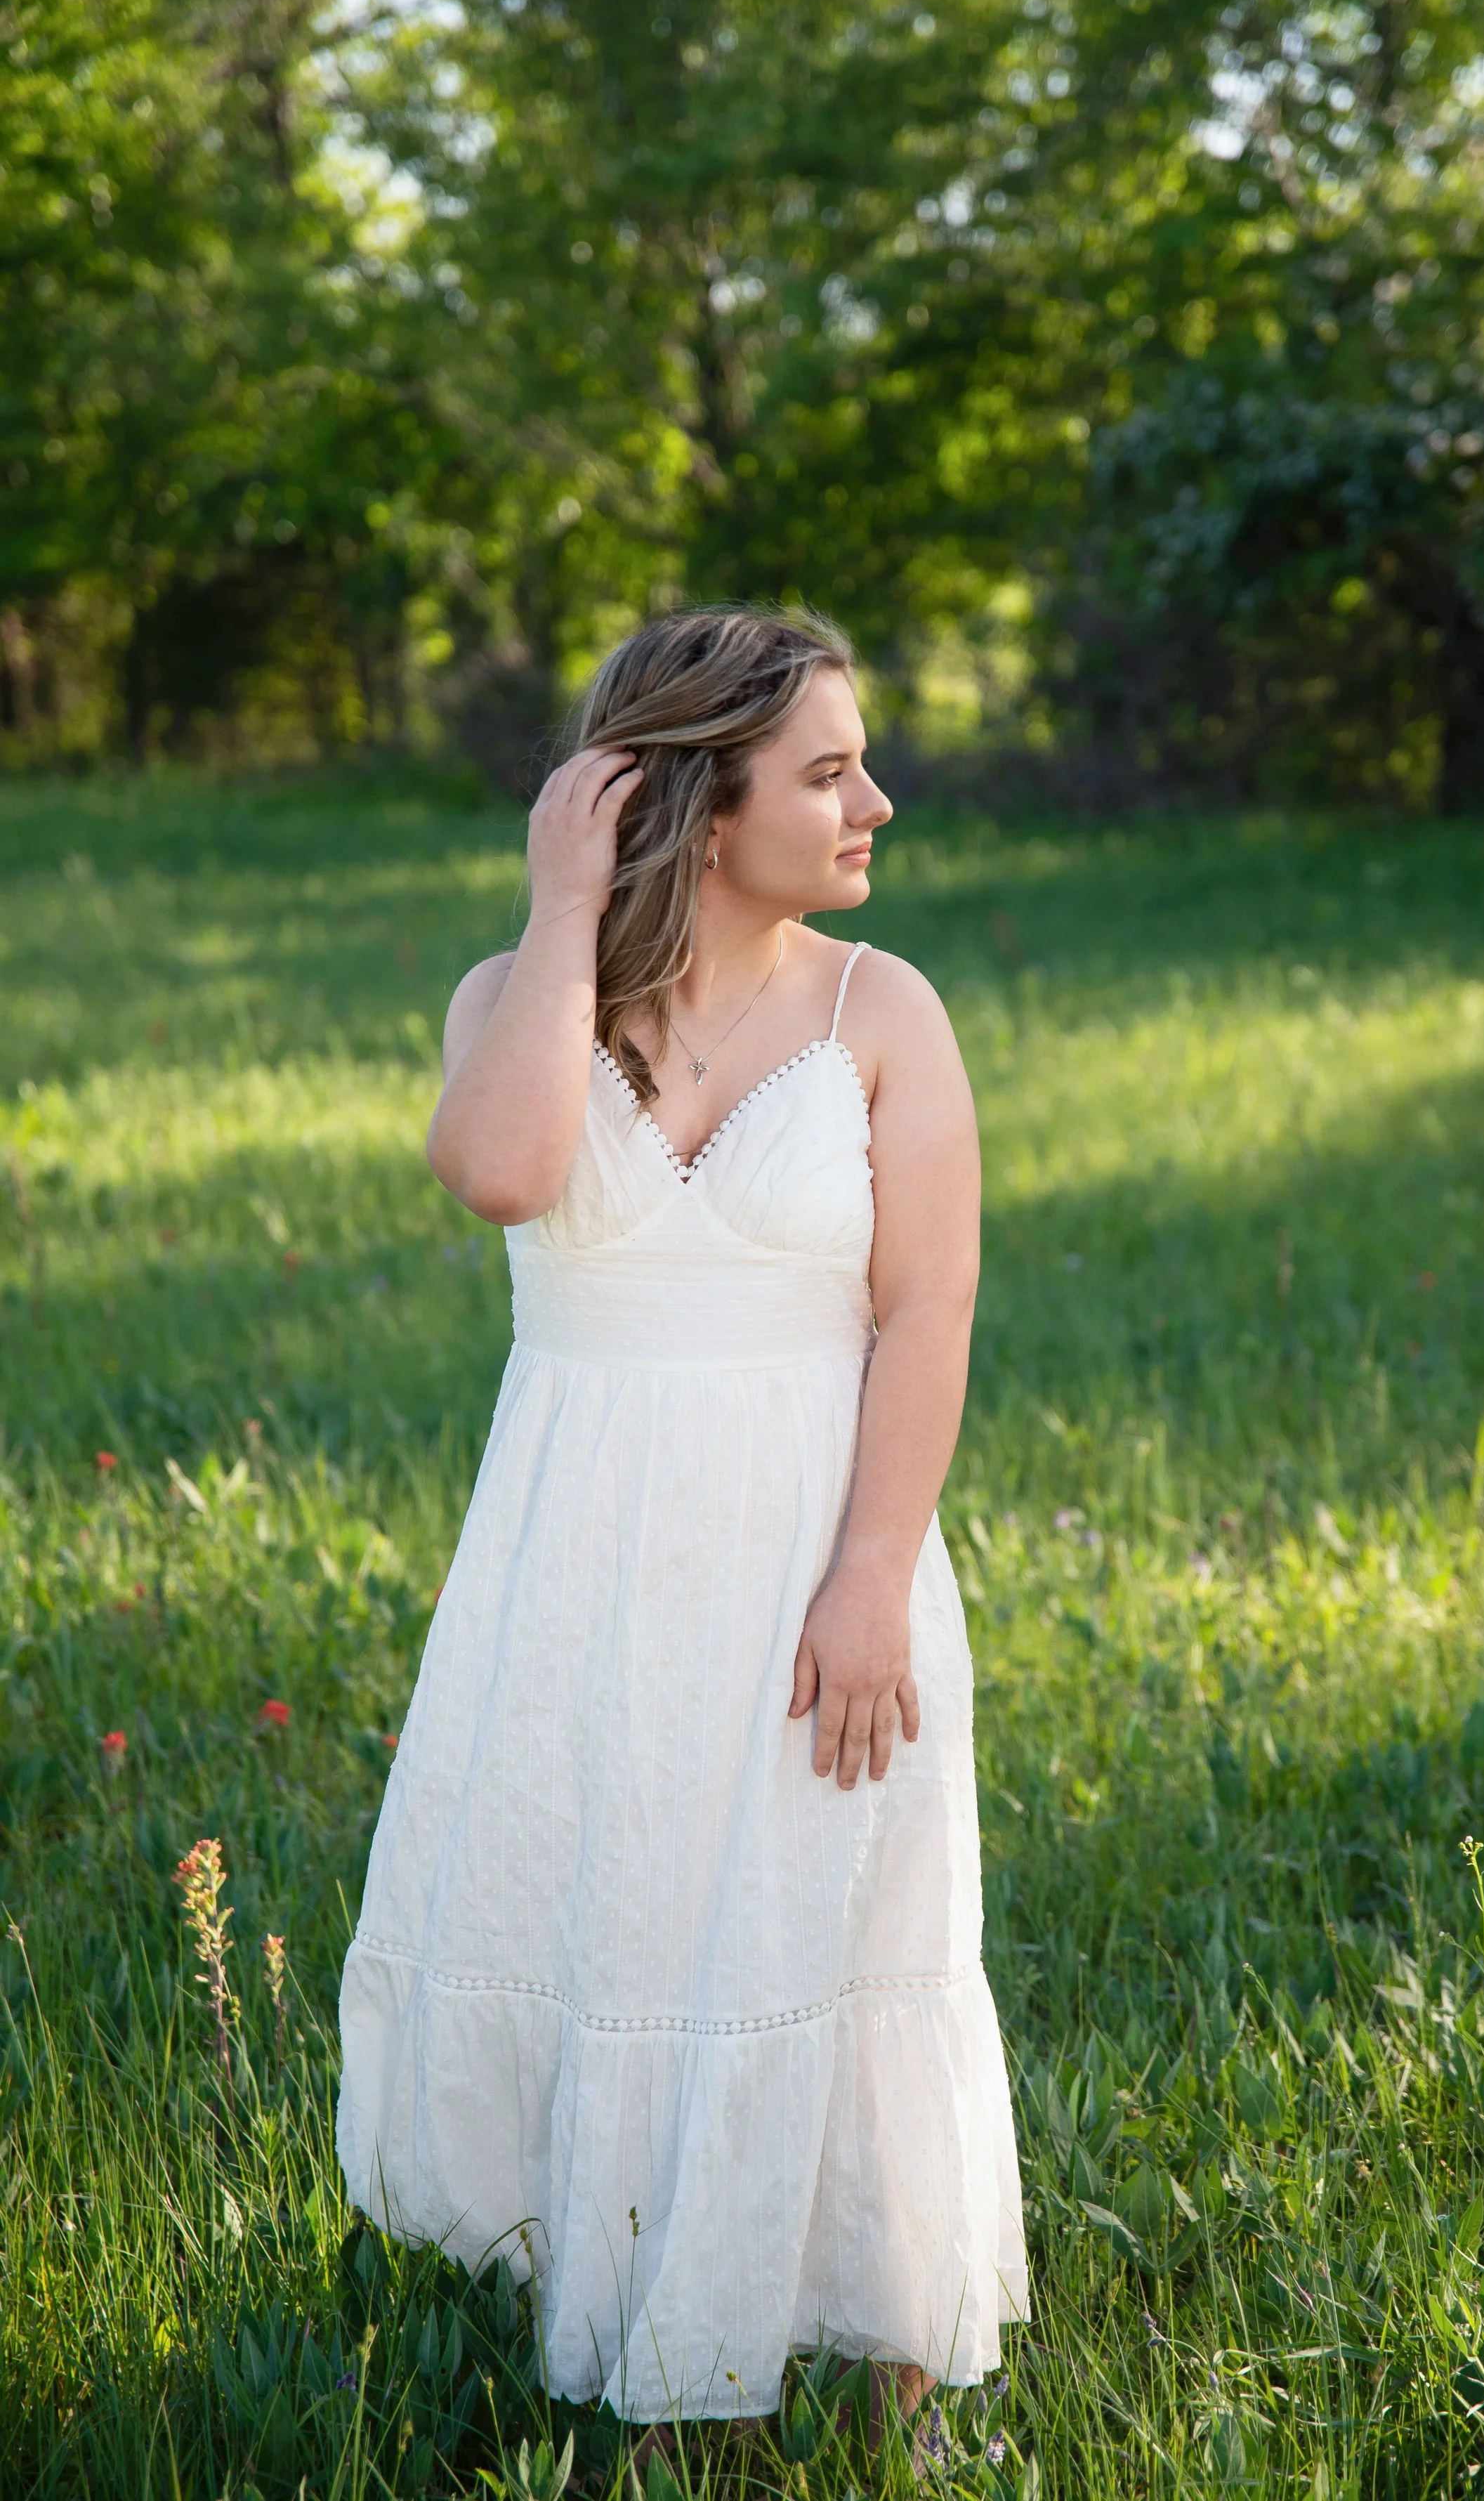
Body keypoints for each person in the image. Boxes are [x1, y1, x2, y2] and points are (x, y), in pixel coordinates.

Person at [335, 605, 1026, 2434]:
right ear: (696, 806)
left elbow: (925, 1311)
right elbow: (500, 1172)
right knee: (623, 1918)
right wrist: (564, 911)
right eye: (826, 771)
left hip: (822, 1560)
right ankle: (635, 2324)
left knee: (840, 1925)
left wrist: (872, 1574)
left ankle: (888, 2374)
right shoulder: (515, 1000)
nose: (874, 800)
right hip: (585, 1562)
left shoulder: (883, 1012)